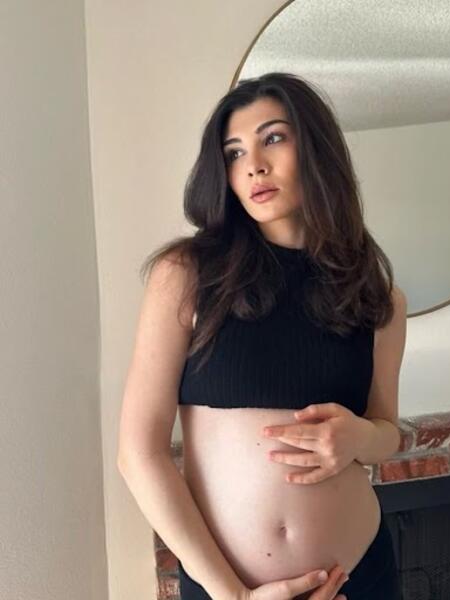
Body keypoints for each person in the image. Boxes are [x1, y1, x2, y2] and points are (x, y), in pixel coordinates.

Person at [117, 72, 407, 600]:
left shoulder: (376, 297)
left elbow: (388, 431)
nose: (253, 165)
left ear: (315, 149)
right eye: (234, 152)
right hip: (229, 589)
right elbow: (138, 453)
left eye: (273, 138)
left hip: (360, 577)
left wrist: (359, 439)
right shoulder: (186, 276)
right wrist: (235, 596)